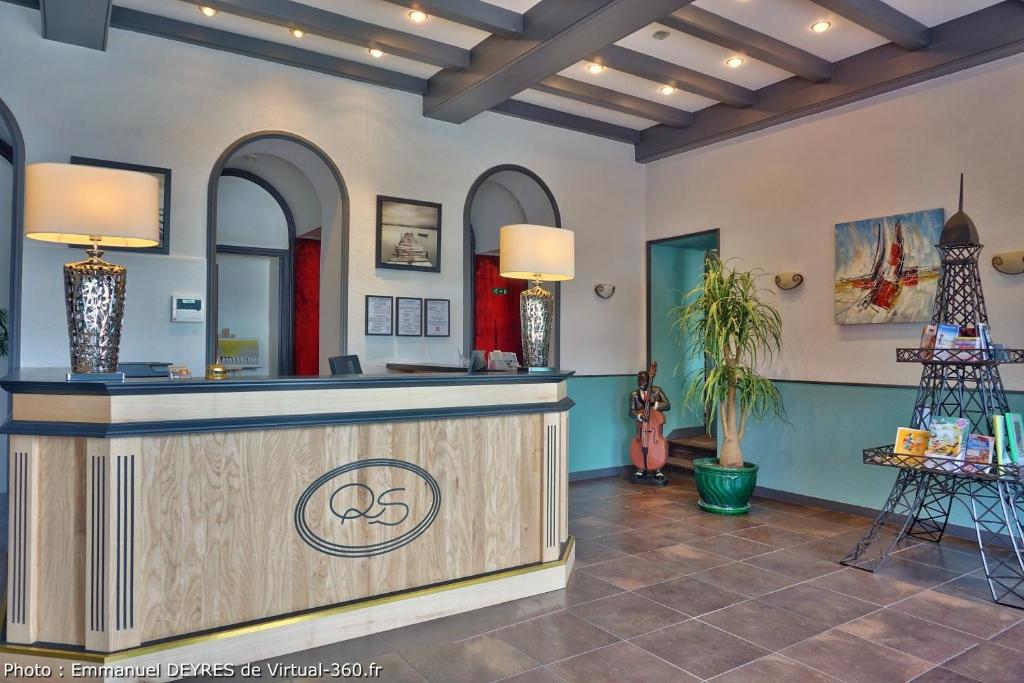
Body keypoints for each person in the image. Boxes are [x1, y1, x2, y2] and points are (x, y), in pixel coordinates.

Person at [629, 369, 670, 482]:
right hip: (642, 428)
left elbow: (667, 405)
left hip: (654, 428)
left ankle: (658, 469)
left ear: (648, 381)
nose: (642, 386)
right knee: (640, 443)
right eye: (640, 384)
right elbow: (631, 411)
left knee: (657, 445)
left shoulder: (657, 391)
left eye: (644, 384)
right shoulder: (634, 395)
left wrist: (654, 404)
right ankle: (641, 468)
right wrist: (639, 417)